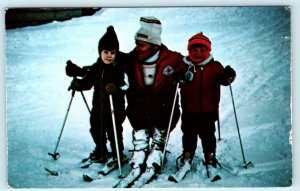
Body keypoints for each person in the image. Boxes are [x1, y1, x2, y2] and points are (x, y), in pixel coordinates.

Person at [116, 16, 188, 188]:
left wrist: (185, 75)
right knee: (139, 121)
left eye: (141, 44)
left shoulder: (172, 59)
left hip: (163, 108)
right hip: (139, 107)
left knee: (162, 121)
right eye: (136, 43)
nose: (137, 48)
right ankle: (140, 149)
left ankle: (157, 148)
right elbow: (106, 64)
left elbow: (190, 66)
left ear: (154, 45)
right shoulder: (131, 59)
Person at [177, 32, 236, 177]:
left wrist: (229, 75)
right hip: (189, 110)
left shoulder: (215, 67)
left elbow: (224, 80)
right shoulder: (184, 66)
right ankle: (187, 154)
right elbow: (174, 78)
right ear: (188, 50)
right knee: (189, 134)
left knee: (208, 135)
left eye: (202, 50)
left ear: (208, 51)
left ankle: (209, 155)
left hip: (208, 111)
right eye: (194, 50)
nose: (198, 53)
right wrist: (177, 77)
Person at [67, 26, 127, 165]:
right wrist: (78, 84)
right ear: (100, 52)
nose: (109, 55)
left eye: (112, 52)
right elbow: (88, 82)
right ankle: (101, 150)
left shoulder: (120, 67)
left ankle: (118, 152)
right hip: (99, 106)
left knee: (114, 131)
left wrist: (116, 88)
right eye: (105, 52)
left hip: (115, 107)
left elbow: (126, 84)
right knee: (96, 128)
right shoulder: (97, 67)